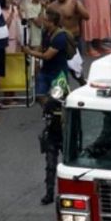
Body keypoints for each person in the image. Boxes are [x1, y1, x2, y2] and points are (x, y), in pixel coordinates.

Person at [24, 10, 72, 105]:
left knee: (58, 100)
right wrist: (34, 52)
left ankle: (58, 116)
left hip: (58, 73)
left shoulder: (60, 37)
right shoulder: (45, 32)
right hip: (45, 71)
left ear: (51, 23)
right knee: (40, 96)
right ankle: (49, 112)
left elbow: (47, 56)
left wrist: (30, 52)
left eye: (45, 20)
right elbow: (42, 46)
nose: (43, 22)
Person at [39, 75, 68, 205]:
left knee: (70, 167)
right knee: (50, 167)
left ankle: (70, 193)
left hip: (67, 138)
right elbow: (46, 118)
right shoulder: (50, 103)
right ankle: (49, 194)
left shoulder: (71, 103)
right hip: (52, 136)